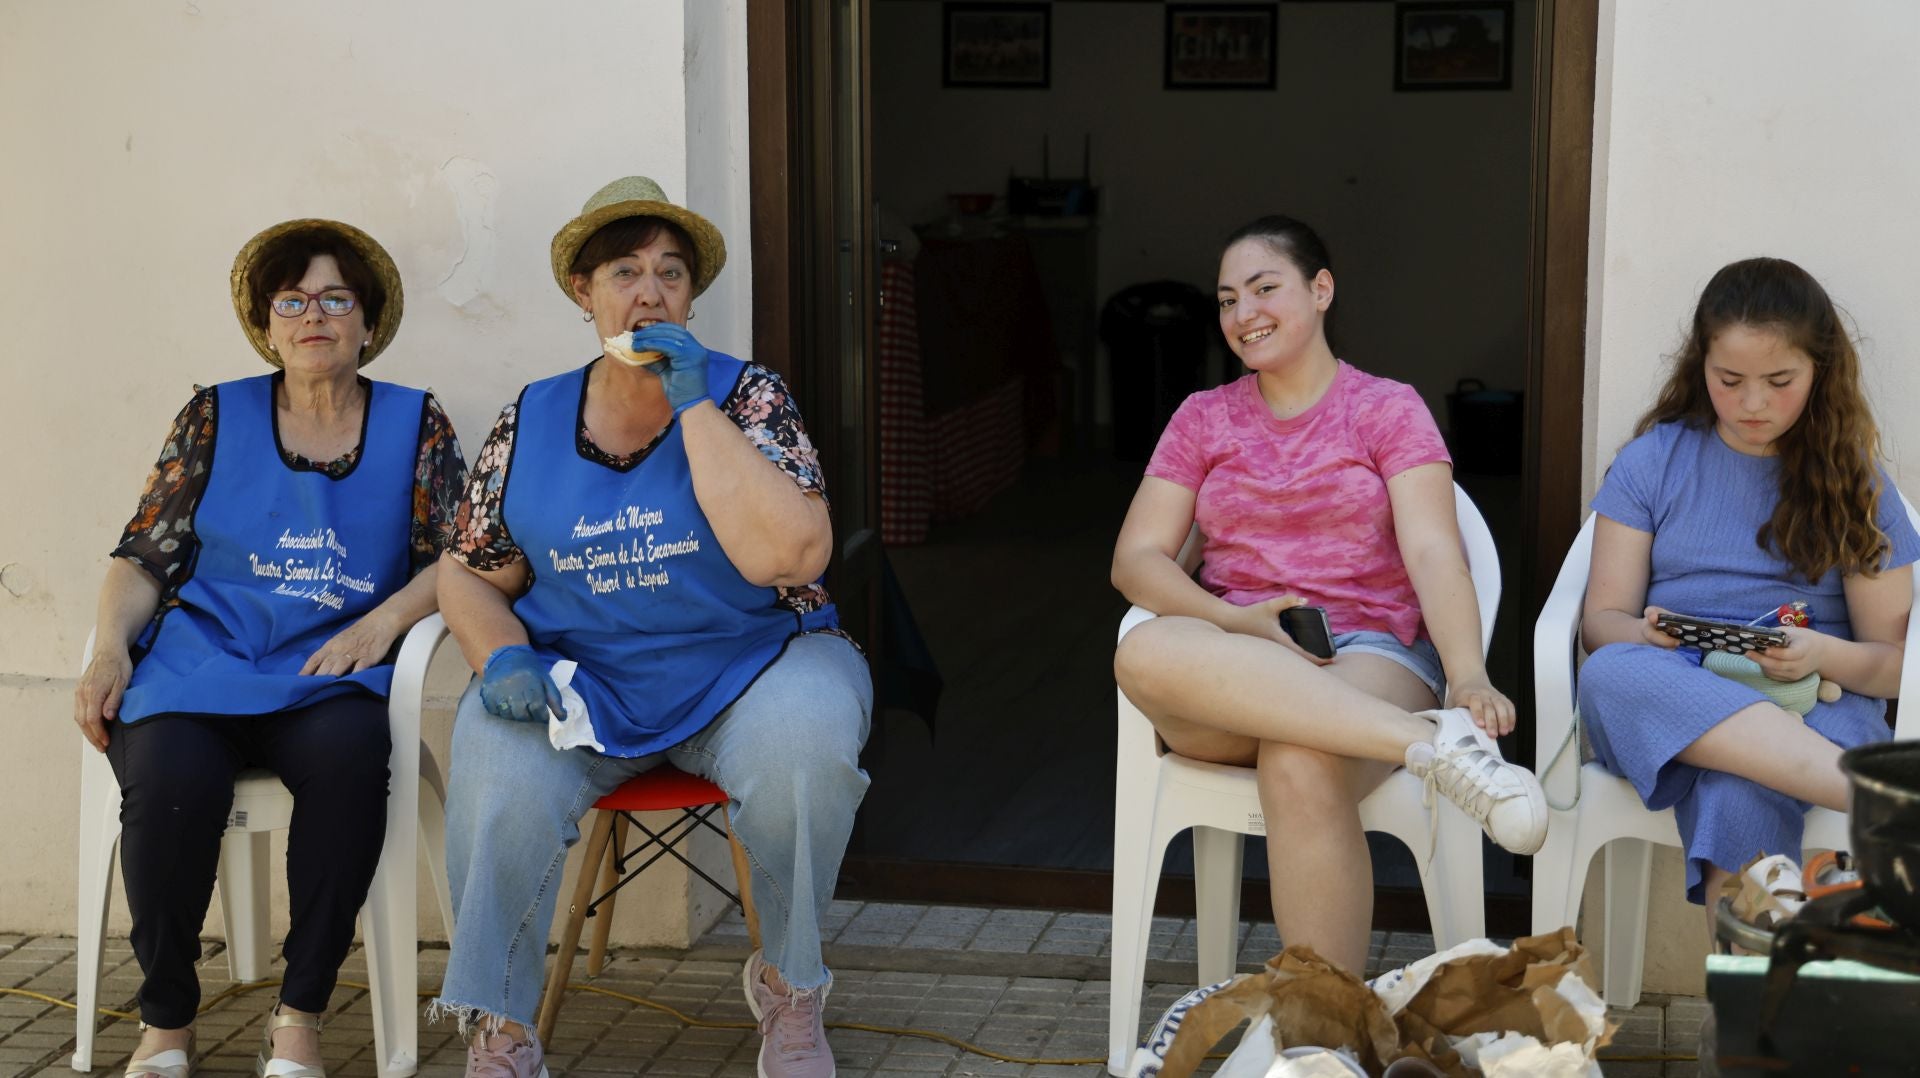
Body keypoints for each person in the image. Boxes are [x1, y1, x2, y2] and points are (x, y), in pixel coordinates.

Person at [430, 176, 872, 1078]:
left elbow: (793, 558)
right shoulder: (531, 415)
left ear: (692, 297)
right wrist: (501, 655)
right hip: (583, 684)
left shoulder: (747, 396)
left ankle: (790, 987)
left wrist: (695, 405)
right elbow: (470, 571)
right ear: (583, 293)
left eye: (671, 273)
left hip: (753, 665)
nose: (650, 293)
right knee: (496, 768)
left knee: (807, 753)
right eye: (624, 273)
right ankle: (502, 1028)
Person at [71, 219, 467, 1078]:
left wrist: (382, 624)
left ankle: (300, 1014)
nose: (313, 315)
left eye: (336, 298)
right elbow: (145, 554)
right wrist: (108, 649)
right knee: (171, 782)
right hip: (201, 665)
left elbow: (459, 557)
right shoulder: (215, 414)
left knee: (353, 766)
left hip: (329, 675)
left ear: (368, 322)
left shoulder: (417, 423)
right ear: (267, 323)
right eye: (292, 301)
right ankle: (166, 1021)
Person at [1110, 215, 1547, 975]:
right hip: (1233, 657)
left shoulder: (1386, 408)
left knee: (1297, 759)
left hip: (1367, 652)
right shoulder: (1202, 417)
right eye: (1228, 300)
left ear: (1321, 290)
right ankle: (1431, 749)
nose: (1243, 314)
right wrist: (1234, 619)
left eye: (1264, 289)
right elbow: (1135, 560)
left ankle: (1324, 1026)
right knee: (1142, 649)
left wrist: (1468, 674)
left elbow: (1433, 549)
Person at [1577, 257, 1918, 930]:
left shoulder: (1857, 483)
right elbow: (1600, 624)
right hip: (1676, 686)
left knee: (1738, 790)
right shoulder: (1655, 460)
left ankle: (1754, 996)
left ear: (1818, 371)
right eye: (1729, 381)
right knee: (1609, 671)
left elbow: (1894, 664)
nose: (1752, 403)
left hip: (1817, 702)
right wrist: (1646, 634)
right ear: (1701, 365)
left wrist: (1819, 652)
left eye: (1779, 382)